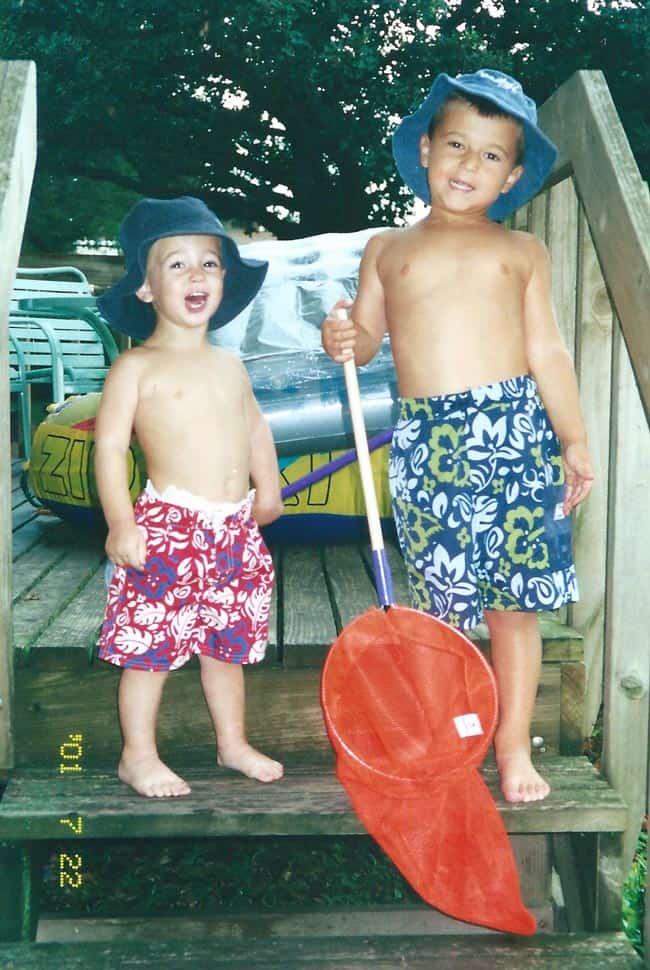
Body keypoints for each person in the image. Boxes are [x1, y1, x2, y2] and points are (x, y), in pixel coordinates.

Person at [322, 69, 594, 804]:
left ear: (511, 177)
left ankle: (511, 747)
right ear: (425, 149)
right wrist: (341, 334)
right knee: (440, 604)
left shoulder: (520, 254)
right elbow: (367, 339)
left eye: (491, 155)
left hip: (516, 435)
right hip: (429, 443)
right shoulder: (387, 248)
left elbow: (548, 354)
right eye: (456, 145)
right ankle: (453, 736)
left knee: (517, 603)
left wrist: (572, 439)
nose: (469, 165)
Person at [95, 196, 284, 798]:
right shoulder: (136, 368)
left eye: (210, 262)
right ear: (145, 289)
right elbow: (108, 451)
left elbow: (254, 425)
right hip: (167, 529)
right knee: (147, 648)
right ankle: (138, 755)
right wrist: (121, 522)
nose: (197, 275)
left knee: (225, 645)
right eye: (176, 265)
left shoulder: (230, 366)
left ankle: (231, 743)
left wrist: (269, 485)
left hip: (232, 532)